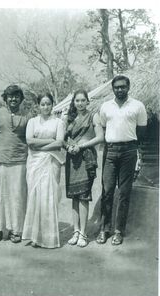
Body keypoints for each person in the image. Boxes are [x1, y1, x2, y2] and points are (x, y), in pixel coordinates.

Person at [96, 75, 147, 246]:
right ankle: (104, 229)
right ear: (113, 89)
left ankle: (118, 231)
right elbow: (103, 128)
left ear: (128, 87)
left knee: (124, 192)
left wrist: (129, 146)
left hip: (128, 152)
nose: (120, 90)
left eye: (123, 87)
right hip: (110, 151)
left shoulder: (138, 106)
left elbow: (141, 131)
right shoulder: (105, 107)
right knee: (107, 190)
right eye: (117, 87)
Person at [0, 85, 31, 244]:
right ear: (5, 98)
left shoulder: (27, 116)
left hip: (20, 161)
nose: (13, 99)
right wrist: (1, 146)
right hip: (1, 160)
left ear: (21, 99)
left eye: (16, 96)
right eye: (10, 96)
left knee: (17, 196)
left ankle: (16, 230)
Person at [22, 93, 64, 248]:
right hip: (34, 162)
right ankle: (34, 236)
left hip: (51, 161)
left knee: (49, 197)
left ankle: (48, 237)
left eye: (48, 104)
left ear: (52, 105)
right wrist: (50, 142)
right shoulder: (32, 121)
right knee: (35, 197)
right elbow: (29, 141)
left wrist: (42, 146)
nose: (45, 107)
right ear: (38, 105)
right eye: (42, 104)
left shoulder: (58, 122)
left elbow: (59, 143)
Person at [64, 89, 104, 247]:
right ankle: (75, 231)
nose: (80, 103)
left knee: (83, 196)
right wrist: (69, 147)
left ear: (88, 101)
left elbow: (100, 137)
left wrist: (81, 146)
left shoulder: (93, 115)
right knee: (74, 196)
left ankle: (83, 233)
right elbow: (63, 138)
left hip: (86, 158)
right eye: (77, 100)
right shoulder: (70, 118)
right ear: (73, 102)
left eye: (83, 100)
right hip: (72, 159)